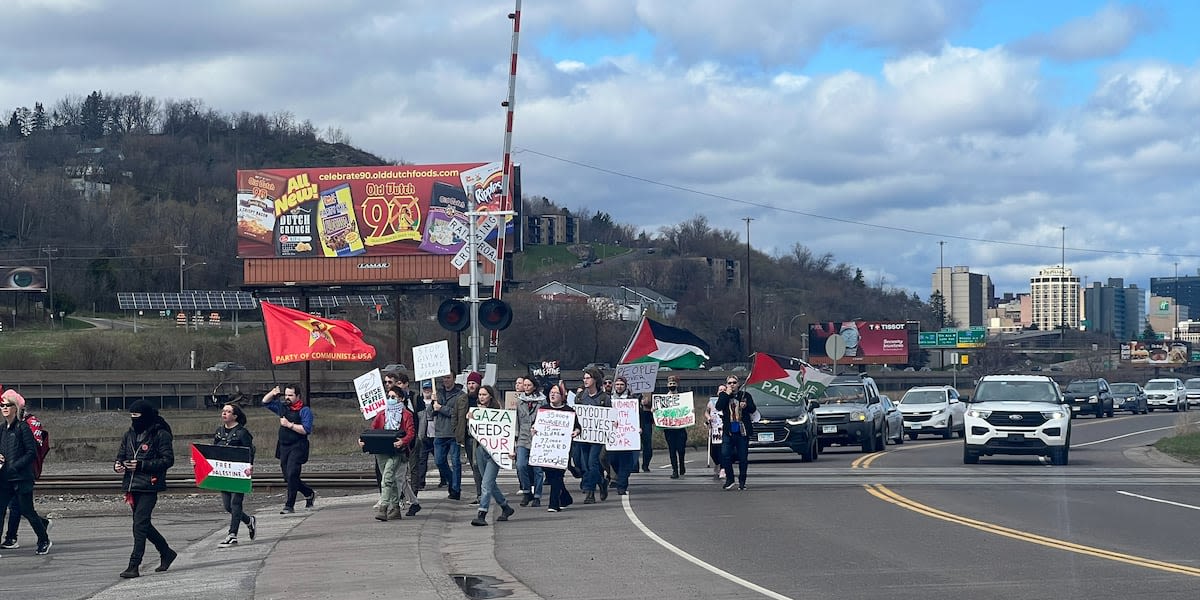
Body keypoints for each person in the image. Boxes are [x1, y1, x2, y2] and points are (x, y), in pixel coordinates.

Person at [115, 400, 176, 578]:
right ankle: (166, 552)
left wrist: (142, 465)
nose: (134, 420)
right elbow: (121, 455)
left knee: (139, 525)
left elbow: (167, 460)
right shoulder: (129, 434)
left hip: (150, 484)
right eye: (131, 417)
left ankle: (134, 564)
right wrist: (118, 465)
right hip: (132, 485)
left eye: (137, 416)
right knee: (143, 525)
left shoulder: (160, 434)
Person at [196, 403, 257, 548]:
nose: (224, 414)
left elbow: (250, 450)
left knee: (236, 503)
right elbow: (213, 451)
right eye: (223, 411)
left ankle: (232, 535)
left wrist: (250, 465)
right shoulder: (219, 432)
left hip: (238, 472)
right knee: (228, 506)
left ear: (235, 416)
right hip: (223, 473)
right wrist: (198, 460)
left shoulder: (242, 433)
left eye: (228, 412)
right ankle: (249, 521)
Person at [0, 390, 52, 557]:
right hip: (5, 478)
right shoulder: (1, 430)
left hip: (21, 478)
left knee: (27, 511)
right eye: (2, 405)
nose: (4, 408)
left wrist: (15, 465)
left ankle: (44, 540)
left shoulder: (23, 428)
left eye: (8, 405)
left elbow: (31, 452)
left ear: (15, 408)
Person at [360, 385, 416, 521]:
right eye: (389, 397)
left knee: (387, 477)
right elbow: (372, 430)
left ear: (401, 399)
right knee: (390, 479)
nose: (390, 399)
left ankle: (383, 507)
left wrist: (402, 441)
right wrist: (363, 441)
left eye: (393, 397)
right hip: (381, 451)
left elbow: (411, 433)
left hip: (397, 451)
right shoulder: (382, 413)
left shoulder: (406, 415)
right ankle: (395, 508)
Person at [262, 384, 316, 514]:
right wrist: (272, 392)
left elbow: (306, 430)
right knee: (288, 477)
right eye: (286, 395)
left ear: (298, 396)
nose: (287, 398)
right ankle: (308, 493)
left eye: (290, 395)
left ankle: (289, 505)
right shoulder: (283, 408)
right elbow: (265, 402)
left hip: (298, 446)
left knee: (292, 474)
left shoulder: (305, 410)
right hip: (283, 446)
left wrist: (289, 425)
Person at [469, 385, 516, 526]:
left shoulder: (498, 412)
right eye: (480, 394)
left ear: (490, 396)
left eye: (484, 394)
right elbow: (472, 432)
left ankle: (482, 513)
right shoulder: (476, 411)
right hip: (480, 450)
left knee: (486, 484)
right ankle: (505, 507)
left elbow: (506, 432)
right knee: (489, 483)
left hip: (495, 452)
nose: (481, 397)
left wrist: (510, 449)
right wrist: (470, 419)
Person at [538, 383, 579, 513]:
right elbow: (536, 425)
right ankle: (565, 497)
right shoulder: (543, 409)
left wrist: (576, 431)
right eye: (551, 392)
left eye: (556, 392)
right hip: (546, 449)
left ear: (562, 396)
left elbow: (578, 427)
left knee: (557, 474)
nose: (553, 394)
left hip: (562, 449)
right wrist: (534, 429)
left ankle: (553, 504)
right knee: (551, 475)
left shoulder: (569, 411)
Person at [573, 367, 611, 503]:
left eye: (588, 378)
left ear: (595, 380)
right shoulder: (580, 397)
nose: (585, 380)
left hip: (597, 437)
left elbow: (610, 417)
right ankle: (601, 482)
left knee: (592, 463)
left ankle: (590, 492)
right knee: (585, 465)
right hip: (583, 436)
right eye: (584, 378)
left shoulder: (604, 398)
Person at [716, 375, 757, 491]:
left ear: (738, 384)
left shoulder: (745, 395)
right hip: (729, 430)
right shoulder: (723, 395)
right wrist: (727, 394)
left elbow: (753, 409)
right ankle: (730, 478)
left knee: (743, 457)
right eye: (729, 383)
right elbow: (718, 406)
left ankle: (742, 481)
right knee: (725, 454)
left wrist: (746, 406)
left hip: (742, 430)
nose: (732, 385)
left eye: (734, 382)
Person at [513, 375, 545, 507]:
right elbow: (516, 420)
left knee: (537, 469)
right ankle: (527, 491)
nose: (526, 388)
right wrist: (515, 438)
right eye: (524, 385)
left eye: (528, 385)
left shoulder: (542, 401)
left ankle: (537, 495)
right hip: (523, 437)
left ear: (534, 386)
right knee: (521, 465)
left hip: (537, 438)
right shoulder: (520, 401)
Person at [432, 373, 466, 500]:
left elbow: (458, 413)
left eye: (448, 377)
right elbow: (431, 413)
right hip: (440, 432)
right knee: (439, 461)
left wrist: (441, 408)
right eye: (444, 378)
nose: (445, 380)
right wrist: (432, 403)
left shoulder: (461, 395)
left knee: (456, 462)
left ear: (454, 378)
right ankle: (452, 482)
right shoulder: (438, 393)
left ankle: (456, 490)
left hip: (453, 432)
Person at [607, 376, 639, 495]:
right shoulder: (609, 400)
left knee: (625, 461)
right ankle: (619, 476)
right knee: (613, 460)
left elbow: (636, 415)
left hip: (627, 436)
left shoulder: (631, 399)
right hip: (614, 437)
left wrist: (638, 427)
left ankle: (622, 485)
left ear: (625, 386)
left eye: (621, 385)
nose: (619, 387)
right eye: (617, 385)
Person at [460, 371, 485, 504]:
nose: (471, 386)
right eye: (469, 383)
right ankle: (480, 494)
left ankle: (484, 492)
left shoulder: (485, 398)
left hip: (484, 438)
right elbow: (456, 417)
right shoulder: (463, 399)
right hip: (470, 438)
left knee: (482, 466)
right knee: (475, 466)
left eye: (473, 383)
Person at [662, 375, 689, 479]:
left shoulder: (683, 398)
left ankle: (681, 463)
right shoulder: (663, 399)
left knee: (681, 449)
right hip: (669, 428)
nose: (672, 385)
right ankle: (675, 470)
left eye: (673, 384)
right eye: (670, 384)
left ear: (677, 385)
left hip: (680, 427)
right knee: (672, 450)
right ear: (667, 385)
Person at [704, 395, 725, 480]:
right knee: (713, 451)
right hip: (714, 429)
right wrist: (709, 418)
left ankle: (723, 469)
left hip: (723, 428)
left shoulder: (727, 401)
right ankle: (717, 463)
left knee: (723, 450)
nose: (722, 391)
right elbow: (706, 412)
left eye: (724, 390)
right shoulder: (711, 402)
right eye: (720, 390)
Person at [638, 390, 655, 472]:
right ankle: (634, 466)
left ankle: (645, 464)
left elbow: (656, 404)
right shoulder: (630, 391)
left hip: (646, 418)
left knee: (647, 443)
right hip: (635, 417)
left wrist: (648, 404)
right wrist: (639, 402)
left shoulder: (650, 391)